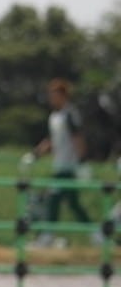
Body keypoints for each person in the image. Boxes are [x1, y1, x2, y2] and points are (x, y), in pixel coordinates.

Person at [30, 78, 93, 243]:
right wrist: (35, 154)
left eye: (54, 95)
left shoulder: (70, 114)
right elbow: (52, 140)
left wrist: (82, 162)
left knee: (53, 199)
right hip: (59, 165)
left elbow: (78, 138)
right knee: (72, 203)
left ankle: (47, 236)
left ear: (63, 96)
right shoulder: (54, 117)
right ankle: (96, 235)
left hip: (69, 166)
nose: (52, 98)